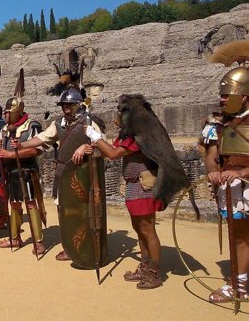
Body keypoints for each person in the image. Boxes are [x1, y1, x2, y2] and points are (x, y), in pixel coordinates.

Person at [85, 94, 187, 289]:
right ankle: (145, 265)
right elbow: (111, 149)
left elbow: (114, 154)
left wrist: (96, 137)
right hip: (133, 187)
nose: (118, 114)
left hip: (143, 188)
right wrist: (96, 144)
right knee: (139, 230)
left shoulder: (138, 137)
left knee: (148, 230)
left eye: (121, 111)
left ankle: (154, 272)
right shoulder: (128, 136)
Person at [17, 88, 104, 261]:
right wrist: (22, 145)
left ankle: (87, 246)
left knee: (84, 210)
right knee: (63, 210)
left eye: (70, 105)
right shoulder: (59, 124)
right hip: (63, 171)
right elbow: (43, 138)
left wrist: (85, 148)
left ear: (78, 105)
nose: (66, 108)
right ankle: (69, 246)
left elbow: (102, 145)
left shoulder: (89, 121)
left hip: (84, 173)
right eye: (64, 105)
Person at [203, 42, 249, 303]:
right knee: (239, 236)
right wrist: (213, 173)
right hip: (231, 188)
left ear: (243, 96)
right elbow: (211, 158)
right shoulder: (217, 127)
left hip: (245, 183)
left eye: (226, 95)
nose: (221, 99)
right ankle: (239, 285)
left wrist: (242, 170)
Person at [0, 98, 46, 254]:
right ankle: (15, 238)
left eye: (9, 113)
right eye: (6, 113)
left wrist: (10, 154)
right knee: (14, 204)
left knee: (30, 204)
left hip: (27, 170)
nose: (6, 116)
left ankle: (38, 241)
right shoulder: (3, 130)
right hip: (12, 172)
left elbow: (36, 150)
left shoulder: (31, 126)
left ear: (17, 112)